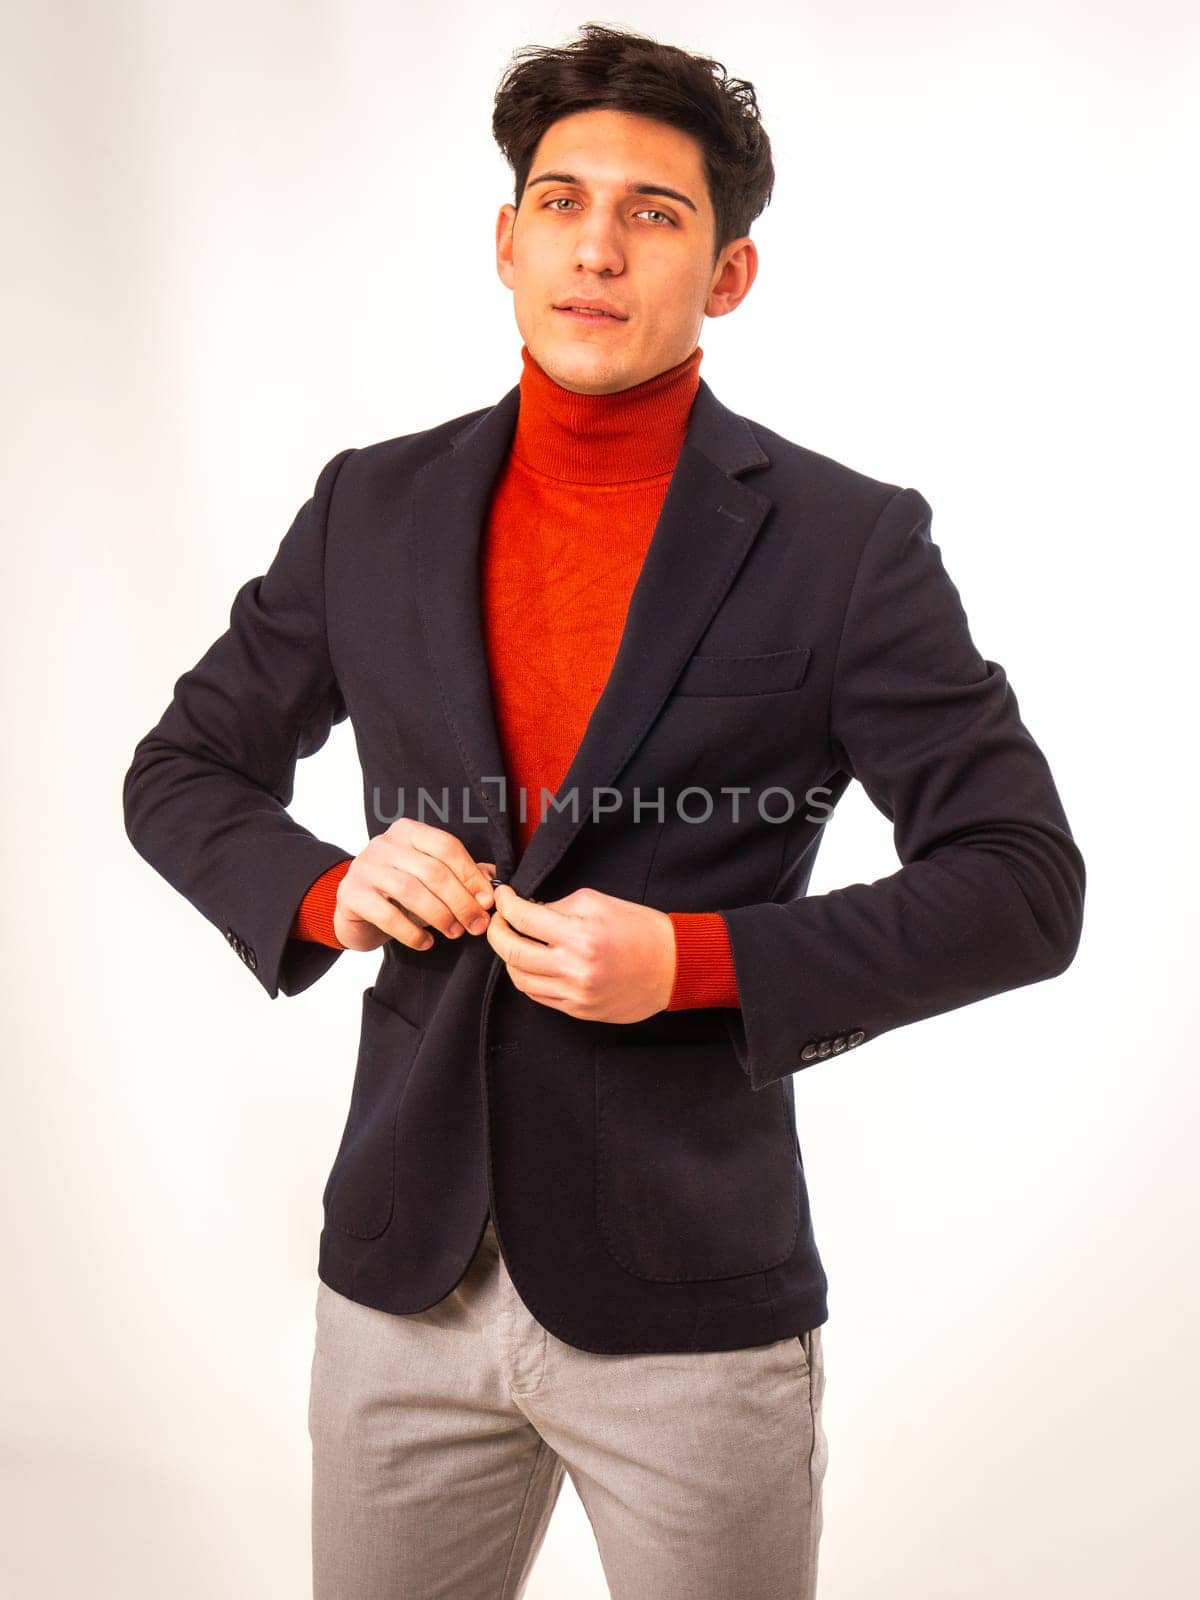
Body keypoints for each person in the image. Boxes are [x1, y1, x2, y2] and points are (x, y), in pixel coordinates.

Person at [122, 22, 1086, 1600]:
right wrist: (328, 890)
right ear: (506, 243)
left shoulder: (846, 547)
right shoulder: (373, 503)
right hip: (397, 1289)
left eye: (656, 213)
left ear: (728, 276)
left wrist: (698, 961)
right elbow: (182, 770)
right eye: (563, 202)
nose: (597, 245)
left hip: (694, 1304)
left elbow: (1024, 883)